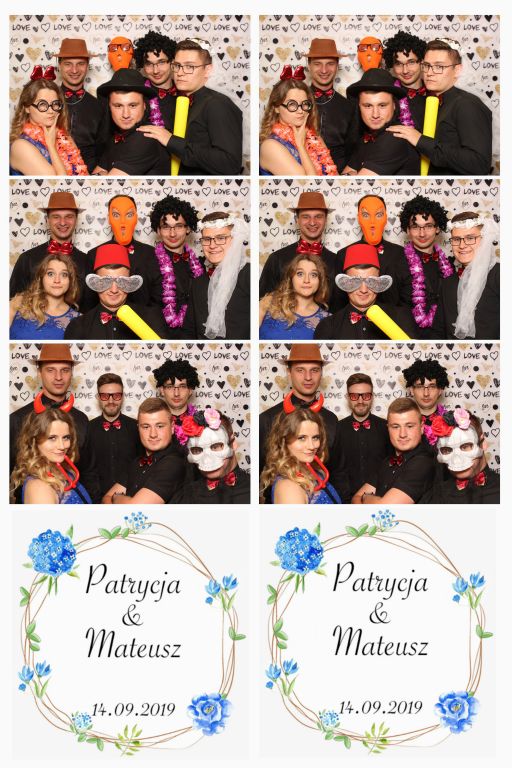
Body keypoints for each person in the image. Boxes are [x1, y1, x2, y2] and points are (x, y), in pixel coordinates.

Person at [387, 38, 492, 175]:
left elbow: (479, 164)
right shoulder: (434, 101)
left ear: (457, 70)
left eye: (439, 67)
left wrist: (420, 140)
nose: (429, 73)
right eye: (427, 65)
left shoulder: (467, 105)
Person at [137, 38, 243, 175]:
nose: (180, 73)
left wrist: (171, 140)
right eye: (177, 65)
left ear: (207, 70)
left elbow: (230, 164)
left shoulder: (218, 104)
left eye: (189, 67)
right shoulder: (184, 101)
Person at [9, 344, 99, 501]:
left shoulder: (81, 419)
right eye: (50, 370)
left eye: (65, 370)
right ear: (39, 372)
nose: (58, 377)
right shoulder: (18, 419)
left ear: (72, 373)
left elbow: (89, 471)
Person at [259, 343, 349, 502]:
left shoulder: (331, 419)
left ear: (321, 373)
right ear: (289, 372)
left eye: (314, 370)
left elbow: (339, 472)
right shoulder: (268, 418)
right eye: (300, 370)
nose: (308, 377)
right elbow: (259, 472)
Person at [64, 243, 170, 340]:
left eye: (121, 281)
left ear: (129, 281)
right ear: (96, 282)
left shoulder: (151, 318)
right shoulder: (78, 326)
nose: (114, 290)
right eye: (106, 281)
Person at [314, 243, 416, 339]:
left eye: (370, 281)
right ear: (345, 282)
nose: (364, 290)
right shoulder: (328, 326)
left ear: (378, 282)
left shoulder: (401, 318)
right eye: (356, 281)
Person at [259, 192, 341, 312]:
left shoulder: (337, 261)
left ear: (325, 220)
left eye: (318, 216)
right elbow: (262, 302)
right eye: (306, 217)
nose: (312, 222)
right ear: (297, 219)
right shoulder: (277, 258)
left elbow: (340, 308)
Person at [83, 195, 163, 312]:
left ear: (136, 218)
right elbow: (89, 301)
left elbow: (158, 297)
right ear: (109, 219)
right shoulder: (94, 254)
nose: (123, 222)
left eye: (129, 215)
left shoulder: (151, 254)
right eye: (116, 215)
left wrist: (147, 318)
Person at [10, 191, 87, 306]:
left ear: (76, 219)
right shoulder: (27, 259)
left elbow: (89, 309)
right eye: (56, 217)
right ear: (47, 220)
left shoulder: (86, 261)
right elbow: (12, 303)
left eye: (69, 216)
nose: (62, 222)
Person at [180, 211, 250, 340]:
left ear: (235, 239)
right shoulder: (198, 281)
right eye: (207, 239)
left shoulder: (251, 276)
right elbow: (189, 331)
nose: (212, 245)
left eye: (221, 238)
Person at [352, 398, 435, 504]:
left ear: (422, 428)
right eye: (396, 427)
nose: (402, 434)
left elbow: (386, 508)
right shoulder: (387, 462)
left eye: (409, 426)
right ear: (388, 429)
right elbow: (355, 498)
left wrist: (365, 497)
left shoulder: (423, 463)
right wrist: (372, 500)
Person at [103, 398, 185, 504]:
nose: (153, 434)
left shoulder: (173, 463)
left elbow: (137, 508)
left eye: (160, 426)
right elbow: (106, 498)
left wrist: (116, 497)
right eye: (146, 427)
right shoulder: (136, 462)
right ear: (138, 429)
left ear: (172, 427)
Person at [432, 212, 499, 340]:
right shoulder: (447, 281)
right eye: (457, 239)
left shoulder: (500, 275)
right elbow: (438, 331)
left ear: (484, 239)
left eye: (470, 238)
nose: (462, 245)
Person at [10, 65, 87, 176]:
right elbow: (58, 184)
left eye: (55, 104)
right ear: (27, 107)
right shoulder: (21, 147)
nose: (51, 111)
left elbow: (85, 177)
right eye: (42, 104)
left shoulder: (65, 137)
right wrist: (51, 146)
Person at [260, 65, 337, 176]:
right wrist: (301, 146)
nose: (300, 111)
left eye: (304, 104)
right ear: (276, 107)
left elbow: (335, 176)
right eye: (292, 104)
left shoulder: (315, 137)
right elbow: (308, 183)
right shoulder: (270, 147)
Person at [343, 68, 420, 175]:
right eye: (368, 106)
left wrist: (352, 176)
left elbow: (356, 184)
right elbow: (342, 180)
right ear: (359, 106)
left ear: (394, 105)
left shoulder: (395, 138)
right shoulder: (366, 138)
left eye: (382, 105)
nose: (375, 115)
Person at [336, 194, 407, 308]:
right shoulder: (344, 254)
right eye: (365, 215)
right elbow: (339, 300)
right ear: (359, 218)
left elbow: (406, 297)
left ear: (385, 218)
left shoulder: (400, 254)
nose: (372, 223)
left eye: (379, 215)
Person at [93, 68, 168, 176]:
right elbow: (91, 181)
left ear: (144, 105)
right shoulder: (115, 138)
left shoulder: (145, 138)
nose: (126, 114)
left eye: (133, 105)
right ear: (109, 107)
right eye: (118, 106)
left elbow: (108, 184)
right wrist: (101, 176)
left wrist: (102, 175)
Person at [398, 195, 454, 337]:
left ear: (437, 228)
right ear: (408, 230)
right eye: (415, 227)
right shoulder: (397, 264)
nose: (422, 234)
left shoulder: (450, 264)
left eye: (428, 226)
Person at [10, 409, 91, 504]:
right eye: (52, 438)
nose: (62, 446)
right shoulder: (39, 489)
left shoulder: (65, 470)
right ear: (34, 441)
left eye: (66, 437)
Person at [261, 409, 341, 504]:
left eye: (315, 437)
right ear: (284, 441)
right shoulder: (288, 489)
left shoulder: (315, 471)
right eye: (302, 438)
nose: (311, 446)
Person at [420, 408, 499, 503]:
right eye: (446, 450)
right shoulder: (436, 495)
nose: (457, 460)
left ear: (483, 444)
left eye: (465, 446)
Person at [171, 408, 250, 504]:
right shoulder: (185, 495)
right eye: (197, 450)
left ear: (233, 444)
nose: (207, 460)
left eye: (216, 446)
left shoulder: (252, 490)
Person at [55, 38, 110, 173]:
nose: (74, 70)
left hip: (88, 174)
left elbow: (104, 151)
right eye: (68, 64)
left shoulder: (99, 106)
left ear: (87, 65)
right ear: (59, 65)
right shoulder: (46, 102)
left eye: (80, 64)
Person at [149, 195, 204, 330]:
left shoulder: (199, 264)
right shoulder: (148, 264)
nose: (172, 234)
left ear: (188, 228)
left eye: (178, 226)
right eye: (166, 227)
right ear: (158, 230)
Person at [336, 373, 392, 499]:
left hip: (380, 499)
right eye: (354, 396)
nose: (360, 401)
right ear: (348, 397)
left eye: (365, 396)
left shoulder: (387, 428)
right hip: (345, 502)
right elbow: (336, 471)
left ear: (372, 397)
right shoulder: (337, 429)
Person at [305, 38, 355, 173]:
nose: (324, 70)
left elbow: (353, 151)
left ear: (337, 66)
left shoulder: (349, 106)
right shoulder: (295, 102)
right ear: (309, 66)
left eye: (330, 64)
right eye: (317, 64)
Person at [88, 373, 141, 497]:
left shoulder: (137, 427)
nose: (111, 401)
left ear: (122, 397)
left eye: (116, 396)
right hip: (96, 500)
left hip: (131, 498)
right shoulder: (88, 429)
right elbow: (87, 471)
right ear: (98, 397)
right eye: (105, 396)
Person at [259, 253, 330, 339]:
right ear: (291, 278)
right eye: (300, 274)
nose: (306, 280)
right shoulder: (269, 302)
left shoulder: (328, 320)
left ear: (320, 280)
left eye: (313, 275)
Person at [10, 252, 80, 339]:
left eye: (64, 274)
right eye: (50, 274)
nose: (57, 280)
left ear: (71, 280)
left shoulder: (79, 320)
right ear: (41, 278)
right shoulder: (19, 303)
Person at [152, 358, 200, 452]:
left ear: (190, 390)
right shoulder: (152, 423)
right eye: (170, 387)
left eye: (182, 386)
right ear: (162, 390)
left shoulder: (202, 422)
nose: (176, 393)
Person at [402, 359, 449, 453]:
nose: (426, 393)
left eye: (432, 386)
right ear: (411, 390)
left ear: (440, 390)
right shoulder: (402, 422)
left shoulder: (452, 421)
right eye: (420, 386)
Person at [383, 31, 427, 130]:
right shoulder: (387, 96)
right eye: (398, 64)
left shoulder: (436, 94)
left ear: (422, 62)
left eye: (411, 62)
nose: (405, 71)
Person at [134, 31, 177, 131]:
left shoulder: (186, 93)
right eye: (149, 64)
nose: (155, 71)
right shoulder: (137, 94)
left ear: (172, 62)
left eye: (161, 62)